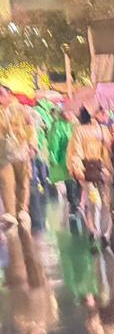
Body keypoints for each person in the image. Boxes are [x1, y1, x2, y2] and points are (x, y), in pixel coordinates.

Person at [67, 107, 114, 248]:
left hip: (103, 171)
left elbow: (109, 152)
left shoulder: (104, 130)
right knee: (95, 201)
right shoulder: (79, 131)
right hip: (87, 172)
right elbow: (75, 152)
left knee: (105, 202)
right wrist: (77, 168)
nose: (106, 114)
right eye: (102, 112)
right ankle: (95, 231)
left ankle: (104, 233)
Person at [0, 85, 37, 231]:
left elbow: (31, 127)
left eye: (1, 93)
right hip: (4, 154)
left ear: (9, 93)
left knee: (23, 182)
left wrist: (32, 145)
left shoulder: (21, 109)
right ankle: (10, 213)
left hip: (21, 151)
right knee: (7, 182)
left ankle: (22, 210)